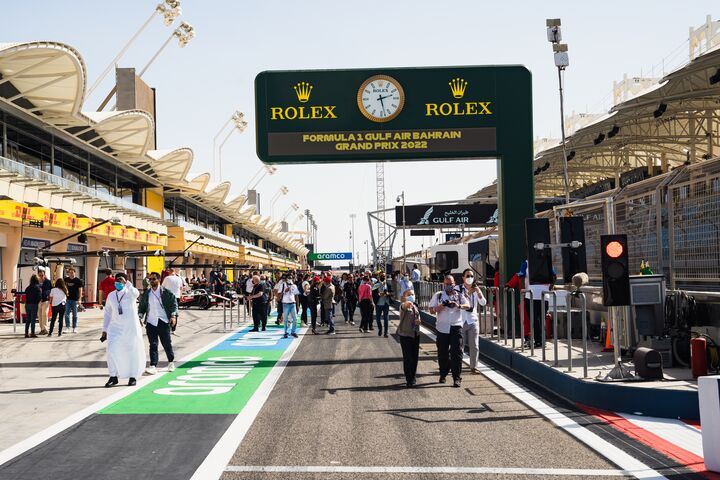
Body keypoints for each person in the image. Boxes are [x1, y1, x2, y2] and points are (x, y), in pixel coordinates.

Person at [100, 272, 145, 387]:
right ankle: (113, 376)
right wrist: (104, 330)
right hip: (115, 328)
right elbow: (107, 313)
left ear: (125, 282)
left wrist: (128, 283)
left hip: (131, 328)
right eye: (116, 280)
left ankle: (133, 376)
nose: (118, 283)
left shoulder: (130, 293)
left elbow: (136, 293)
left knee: (131, 351)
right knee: (111, 350)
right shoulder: (111, 296)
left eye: (120, 280)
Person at [429, 274, 469, 388]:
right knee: (443, 353)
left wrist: (458, 305)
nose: (449, 286)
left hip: (456, 326)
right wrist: (441, 306)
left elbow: (468, 305)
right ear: (443, 284)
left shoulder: (459, 295)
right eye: (447, 284)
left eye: (451, 284)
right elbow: (431, 310)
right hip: (442, 328)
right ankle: (443, 373)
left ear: (454, 284)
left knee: (457, 353)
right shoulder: (438, 295)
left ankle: (457, 378)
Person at [138, 272, 178, 375]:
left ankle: (170, 362)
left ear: (159, 280)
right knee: (153, 344)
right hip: (151, 322)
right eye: (150, 279)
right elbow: (142, 306)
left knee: (166, 344)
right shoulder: (147, 293)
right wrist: (140, 316)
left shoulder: (166, 292)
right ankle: (153, 365)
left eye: (154, 279)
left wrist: (173, 316)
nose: (151, 281)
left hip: (163, 321)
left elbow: (174, 305)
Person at [459, 268, 487, 374]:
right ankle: (457, 366)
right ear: (463, 278)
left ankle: (473, 367)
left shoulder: (476, 289)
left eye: (471, 276)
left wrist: (479, 292)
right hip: (461, 320)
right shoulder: (458, 288)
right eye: (467, 276)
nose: (470, 278)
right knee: (460, 345)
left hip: (473, 320)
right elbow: (459, 299)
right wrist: (468, 293)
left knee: (474, 345)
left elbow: (483, 302)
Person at [398, 289, 421, 387]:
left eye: (413, 294)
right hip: (405, 335)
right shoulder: (404, 306)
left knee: (415, 357)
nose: (411, 296)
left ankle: (413, 376)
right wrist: (406, 303)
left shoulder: (415, 306)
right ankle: (409, 379)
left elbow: (418, 319)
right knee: (408, 358)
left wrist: (419, 322)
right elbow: (404, 306)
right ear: (405, 297)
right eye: (409, 295)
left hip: (415, 334)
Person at [162, 267, 186, 333]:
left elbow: (162, 287)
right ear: (174, 272)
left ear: (169, 271)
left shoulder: (167, 278)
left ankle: (168, 327)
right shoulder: (179, 278)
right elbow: (181, 288)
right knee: (175, 312)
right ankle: (173, 329)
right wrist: (181, 296)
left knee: (167, 311)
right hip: (177, 296)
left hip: (168, 297)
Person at [63, 267, 83, 333]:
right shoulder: (66, 279)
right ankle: (67, 327)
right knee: (66, 314)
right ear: (68, 273)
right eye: (69, 273)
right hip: (67, 300)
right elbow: (63, 288)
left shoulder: (78, 281)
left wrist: (80, 299)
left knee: (75, 314)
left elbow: (80, 290)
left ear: (74, 272)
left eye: (72, 272)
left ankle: (75, 327)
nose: (71, 274)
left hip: (75, 300)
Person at [37, 267, 52, 335]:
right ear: (38, 275)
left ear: (44, 275)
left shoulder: (48, 282)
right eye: (40, 275)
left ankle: (45, 329)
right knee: (39, 315)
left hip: (45, 300)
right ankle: (42, 329)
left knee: (45, 314)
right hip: (38, 300)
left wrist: (49, 296)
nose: (41, 276)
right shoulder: (36, 282)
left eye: (42, 275)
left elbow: (51, 290)